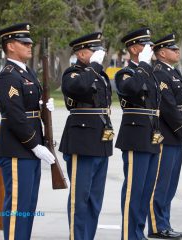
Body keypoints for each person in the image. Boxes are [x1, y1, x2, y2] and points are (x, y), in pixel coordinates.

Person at [0, 23, 55, 240]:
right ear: (10, 46)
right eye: (24, 43)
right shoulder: (8, 76)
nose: (30, 46)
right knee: (18, 207)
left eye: (30, 42)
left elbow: (28, 107)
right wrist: (34, 144)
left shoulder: (26, 71)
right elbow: (14, 114)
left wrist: (43, 107)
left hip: (29, 148)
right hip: (17, 148)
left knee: (28, 205)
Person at [59, 32, 113, 240]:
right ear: (81, 53)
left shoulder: (98, 74)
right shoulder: (72, 73)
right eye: (94, 50)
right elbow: (77, 88)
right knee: (80, 197)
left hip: (101, 139)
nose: (100, 54)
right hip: (81, 140)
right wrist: (94, 67)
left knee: (95, 198)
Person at [147, 33, 182, 239]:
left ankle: (165, 223)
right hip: (166, 135)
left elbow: (179, 100)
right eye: (174, 49)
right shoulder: (159, 73)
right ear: (162, 52)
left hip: (176, 136)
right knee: (160, 184)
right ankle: (156, 226)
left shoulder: (174, 72)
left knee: (170, 184)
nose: (178, 52)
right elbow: (167, 107)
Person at [115, 27, 163, 240]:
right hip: (135, 135)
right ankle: (129, 235)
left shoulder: (150, 72)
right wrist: (143, 64)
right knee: (134, 190)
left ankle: (138, 233)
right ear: (134, 48)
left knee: (146, 191)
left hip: (152, 133)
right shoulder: (125, 73)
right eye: (145, 44)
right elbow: (132, 89)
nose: (150, 48)